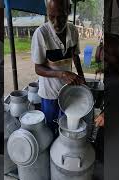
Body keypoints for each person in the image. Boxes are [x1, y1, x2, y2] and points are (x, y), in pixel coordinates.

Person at [31, 0, 85, 135]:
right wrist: (62, 74)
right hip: (49, 93)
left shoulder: (72, 30)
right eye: (51, 17)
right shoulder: (41, 34)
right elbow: (38, 68)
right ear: (47, 13)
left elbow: (75, 55)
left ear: (69, 11)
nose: (56, 23)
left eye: (61, 17)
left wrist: (82, 77)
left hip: (67, 91)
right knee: (50, 127)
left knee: (65, 126)